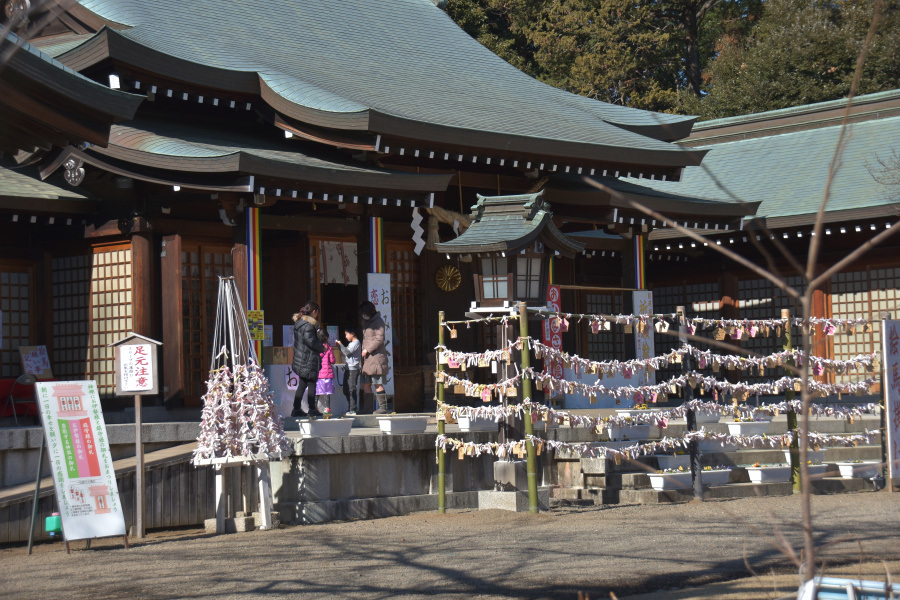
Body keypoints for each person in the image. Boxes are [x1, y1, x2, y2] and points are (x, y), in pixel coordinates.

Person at [290, 301, 325, 418]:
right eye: (317, 313)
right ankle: (312, 408)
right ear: (314, 312)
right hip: (308, 359)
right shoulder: (309, 325)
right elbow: (311, 342)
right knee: (311, 384)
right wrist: (322, 347)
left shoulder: (299, 323)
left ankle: (296, 409)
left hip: (301, 359)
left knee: (302, 384)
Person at [359, 300, 390, 414]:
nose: (363, 315)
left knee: (377, 383)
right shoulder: (367, 322)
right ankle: (367, 408)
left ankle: (383, 408)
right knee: (366, 383)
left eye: (364, 312)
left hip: (376, 358)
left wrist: (368, 349)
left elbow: (379, 339)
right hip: (367, 359)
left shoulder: (378, 321)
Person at [338, 326, 361, 415]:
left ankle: (353, 408)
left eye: (346, 334)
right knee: (346, 389)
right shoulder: (352, 343)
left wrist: (340, 345)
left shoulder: (356, 343)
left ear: (352, 334)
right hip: (348, 368)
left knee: (351, 389)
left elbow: (347, 352)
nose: (346, 336)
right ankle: (351, 407)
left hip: (353, 369)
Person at [316, 327, 336, 416]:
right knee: (327, 393)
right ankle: (327, 409)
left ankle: (314, 408)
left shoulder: (316, 348)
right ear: (326, 338)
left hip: (318, 374)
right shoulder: (329, 348)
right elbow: (332, 361)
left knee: (317, 392)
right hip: (327, 374)